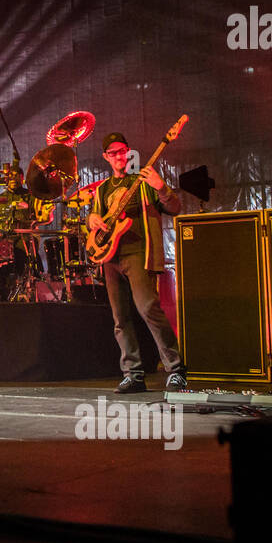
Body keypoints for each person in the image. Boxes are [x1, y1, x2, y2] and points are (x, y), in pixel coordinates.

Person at [86, 132, 187, 394]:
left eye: (123, 151)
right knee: (120, 318)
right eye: (113, 153)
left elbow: (175, 207)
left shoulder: (142, 181)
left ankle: (175, 370)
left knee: (148, 309)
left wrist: (160, 186)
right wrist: (92, 221)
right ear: (105, 157)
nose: (119, 156)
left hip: (138, 253)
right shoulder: (103, 189)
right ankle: (133, 374)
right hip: (110, 257)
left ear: (129, 152)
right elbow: (95, 216)